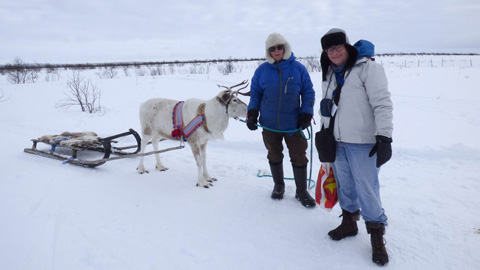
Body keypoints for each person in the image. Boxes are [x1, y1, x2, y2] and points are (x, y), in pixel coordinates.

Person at [318, 28, 393, 266]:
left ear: (347, 47)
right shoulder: (329, 74)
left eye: (338, 47)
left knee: (367, 189)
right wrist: (324, 128)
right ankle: (349, 222)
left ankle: (376, 234)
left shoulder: (367, 68)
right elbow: (330, 108)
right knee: (345, 186)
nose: (333, 52)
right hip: (337, 141)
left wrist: (384, 137)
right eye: (329, 49)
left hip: (363, 143)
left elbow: (382, 104)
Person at [246, 33, 316, 208]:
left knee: (299, 156)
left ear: (285, 47)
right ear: (268, 51)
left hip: (294, 125)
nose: (276, 51)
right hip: (269, 125)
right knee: (274, 154)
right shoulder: (261, 71)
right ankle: (279, 185)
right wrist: (252, 113)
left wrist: (306, 113)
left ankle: (301, 191)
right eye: (272, 48)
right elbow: (255, 95)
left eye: (279, 47)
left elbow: (308, 93)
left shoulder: (298, 69)